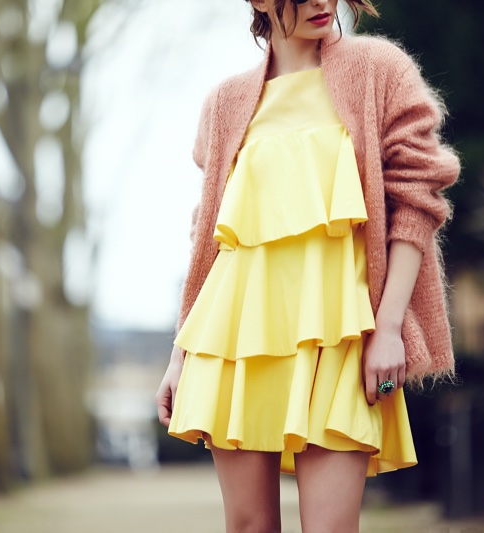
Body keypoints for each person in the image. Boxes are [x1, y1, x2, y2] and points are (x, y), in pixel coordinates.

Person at [155, 0, 460, 531]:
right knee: (248, 525)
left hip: (340, 338)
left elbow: (417, 200)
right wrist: (182, 354)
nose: (323, 2)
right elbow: (212, 238)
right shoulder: (225, 103)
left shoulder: (378, 70)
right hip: (235, 345)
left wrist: (387, 327)